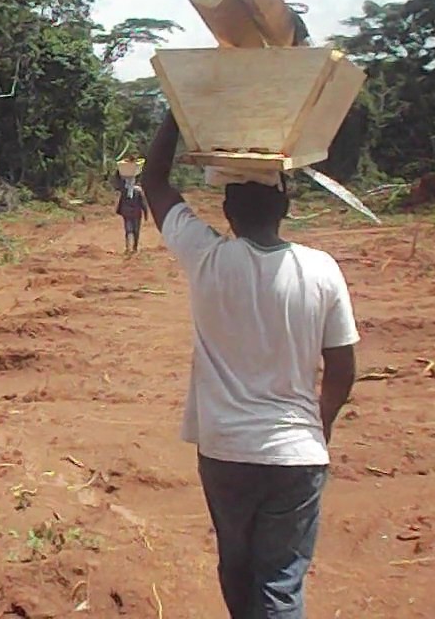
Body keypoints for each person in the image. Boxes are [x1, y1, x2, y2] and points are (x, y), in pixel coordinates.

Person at [140, 111, 359, 619]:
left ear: (227, 209)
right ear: (285, 204)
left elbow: (153, 181)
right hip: (297, 455)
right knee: (279, 585)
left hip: (225, 453)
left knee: (236, 571)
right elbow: (343, 368)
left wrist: (178, 110)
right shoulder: (322, 269)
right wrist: (318, 424)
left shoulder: (207, 258)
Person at [115, 176, 148, 254]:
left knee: (136, 231)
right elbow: (121, 202)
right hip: (127, 214)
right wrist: (119, 211)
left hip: (136, 214)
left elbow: (143, 203)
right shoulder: (124, 191)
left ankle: (135, 247)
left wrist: (146, 213)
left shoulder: (138, 191)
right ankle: (128, 247)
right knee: (128, 230)